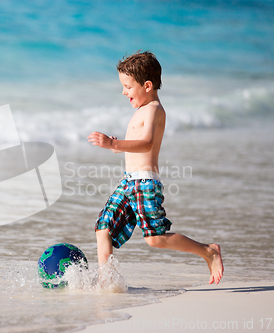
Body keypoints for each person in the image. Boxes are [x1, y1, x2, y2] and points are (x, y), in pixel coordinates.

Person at [87, 51, 224, 285]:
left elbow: (148, 143)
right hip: (128, 181)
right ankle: (106, 280)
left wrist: (113, 143)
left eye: (128, 87)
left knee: (155, 238)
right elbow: (137, 145)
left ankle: (208, 251)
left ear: (147, 85)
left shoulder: (154, 110)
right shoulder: (141, 110)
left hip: (145, 182)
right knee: (103, 227)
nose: (124, 92)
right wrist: (118, 146)